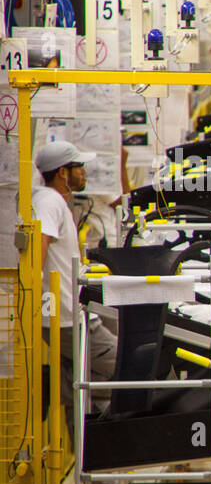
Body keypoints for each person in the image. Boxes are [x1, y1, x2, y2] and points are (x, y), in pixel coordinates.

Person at [31, 141, 117, 440]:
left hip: (68, 312)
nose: (84, 172)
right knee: (120, 365)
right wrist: (32, 292)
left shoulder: (54, 200)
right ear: (63, 173)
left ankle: (89, 459)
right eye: (79, 167)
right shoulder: (48, 201)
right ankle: (50, 383)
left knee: (83, 383)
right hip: (64, 316)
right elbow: (39, 242)